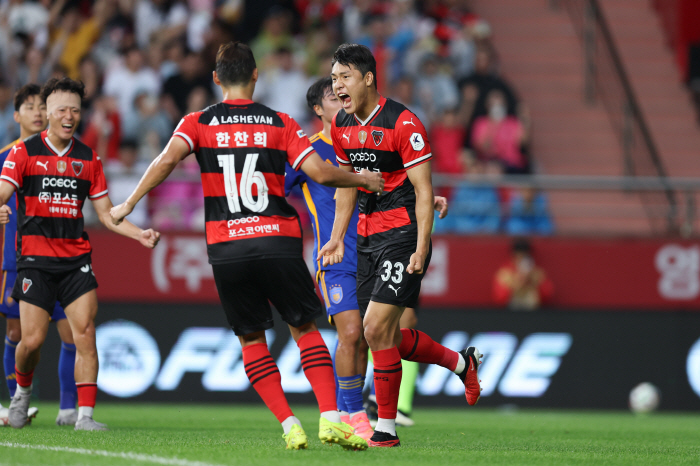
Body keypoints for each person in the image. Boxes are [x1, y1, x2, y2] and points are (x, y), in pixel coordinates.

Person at [109, 41, 384, 451]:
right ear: (256, 76)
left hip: (227, 246)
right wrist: (362, 179)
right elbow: (322, 174)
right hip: (278, 241)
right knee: (304, 328)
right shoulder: (281, 122)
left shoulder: (197, 122)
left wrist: (129, 202)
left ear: (217, 78)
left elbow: (166, 160)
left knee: (252, 340)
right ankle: (330, 416)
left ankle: (289, 423)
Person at [320, 43, 482, 448]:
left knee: (375, 328)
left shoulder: (404, 123)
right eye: (335, 78)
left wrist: (422, 246)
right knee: (385, 335)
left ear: (368, 79)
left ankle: (386, 429)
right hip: (366, 236)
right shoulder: (341, 125)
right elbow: (347, 188)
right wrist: (338, 237)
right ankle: (462, 364)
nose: (338, 85)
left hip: (403, 233)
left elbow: (424, 190)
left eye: (345, 77)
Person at [286, 77, 450, 438]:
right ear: (318, 109)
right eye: (332, 94)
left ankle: (361, 410)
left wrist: (423, 199)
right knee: (351, 332)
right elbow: (272, 188)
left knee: (376, 333)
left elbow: (398, 180)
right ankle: (353, 418)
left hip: (375, 244)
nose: (341, 95)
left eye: (344, 87)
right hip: (336, 255)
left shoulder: (366, 138)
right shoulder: (306, 152)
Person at [0, 77, 161, 431]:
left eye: (75, 109)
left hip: (75, 261)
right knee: (32, 341)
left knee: (85, 332)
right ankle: (21, 394)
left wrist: (139, 234)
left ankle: (84, 416)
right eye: (61, 110)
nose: (69, 116)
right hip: (35, 261)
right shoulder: (23, 152)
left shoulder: (89, 158)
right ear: (49, 113)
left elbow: (106, 215)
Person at [0, 84, 81, 427]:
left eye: (40, 106)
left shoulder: (67, 154)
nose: (36, 112)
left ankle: (68, 409)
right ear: (16, 115)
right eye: (28, 107)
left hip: (63, 259)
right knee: (20, 336)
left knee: (72, 335)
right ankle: (17, 401)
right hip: (17, 260)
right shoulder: (8, 155)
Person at [493, 238, 554, 311]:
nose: (521, 259)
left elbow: (548, 296)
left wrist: (535, 282)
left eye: (524, 256)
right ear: (513, 256)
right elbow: (499, 299)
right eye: (518, 256)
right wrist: (515, 285)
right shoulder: (505, 273)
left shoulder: (537, 273)